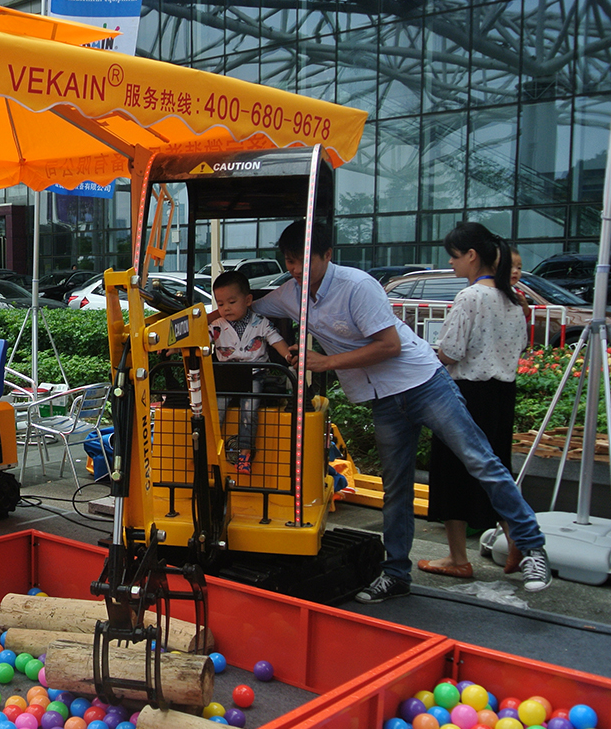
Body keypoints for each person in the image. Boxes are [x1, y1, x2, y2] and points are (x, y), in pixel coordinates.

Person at [251, 220, 551, 601]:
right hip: (383, 398)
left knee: (481, 460)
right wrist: (198, 314)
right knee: (397, 489)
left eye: (302, 261)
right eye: (289, 261)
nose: (295, 270)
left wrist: (325, 362)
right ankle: (396, 574)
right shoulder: (292, 293)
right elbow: (246, 304)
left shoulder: (357, 286)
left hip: (424, 383)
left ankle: (532, 547)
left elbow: (389, 346)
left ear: (327, 255)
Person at [418, 223, 528, 580]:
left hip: (465, 395)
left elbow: (450, 352)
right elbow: (520, 348)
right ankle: (516, 536)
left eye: (453, 256)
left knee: (452, 473)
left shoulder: (470, 297)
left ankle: (457, 558)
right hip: (501, 394)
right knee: (494, 469)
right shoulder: (512, 298)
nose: (451, 264)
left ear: (471, 255)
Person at [210, 270, 291, 474]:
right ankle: (211, 452)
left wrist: (289, 356)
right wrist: (175, 347)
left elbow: (276, 340)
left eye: (231, 302)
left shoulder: (260, 322)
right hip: (227, 374)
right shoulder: (216, 326)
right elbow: (198, 340)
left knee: (249, 410)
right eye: (220, 304)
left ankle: (244, 453)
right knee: (216, 409)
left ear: (247, 300)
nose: (226, 308)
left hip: (254, 373)